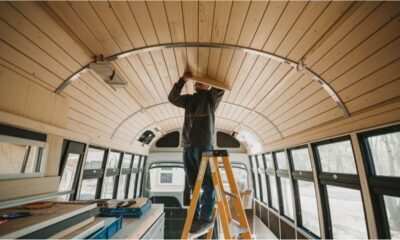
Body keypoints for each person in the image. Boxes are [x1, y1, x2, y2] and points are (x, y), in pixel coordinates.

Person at [168, 72, 225, 234]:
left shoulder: (211, 99)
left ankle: (205, 219)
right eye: (196, 82)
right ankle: (194, 215)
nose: (197, 83)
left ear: (207, 85)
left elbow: (220, 87)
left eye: (201, 82)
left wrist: (208, 79)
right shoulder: (189, 100)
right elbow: (173, 98)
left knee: (208, 183)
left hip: (204, 146)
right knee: (194, 184)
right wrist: (182, 80)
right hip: (188, 146)